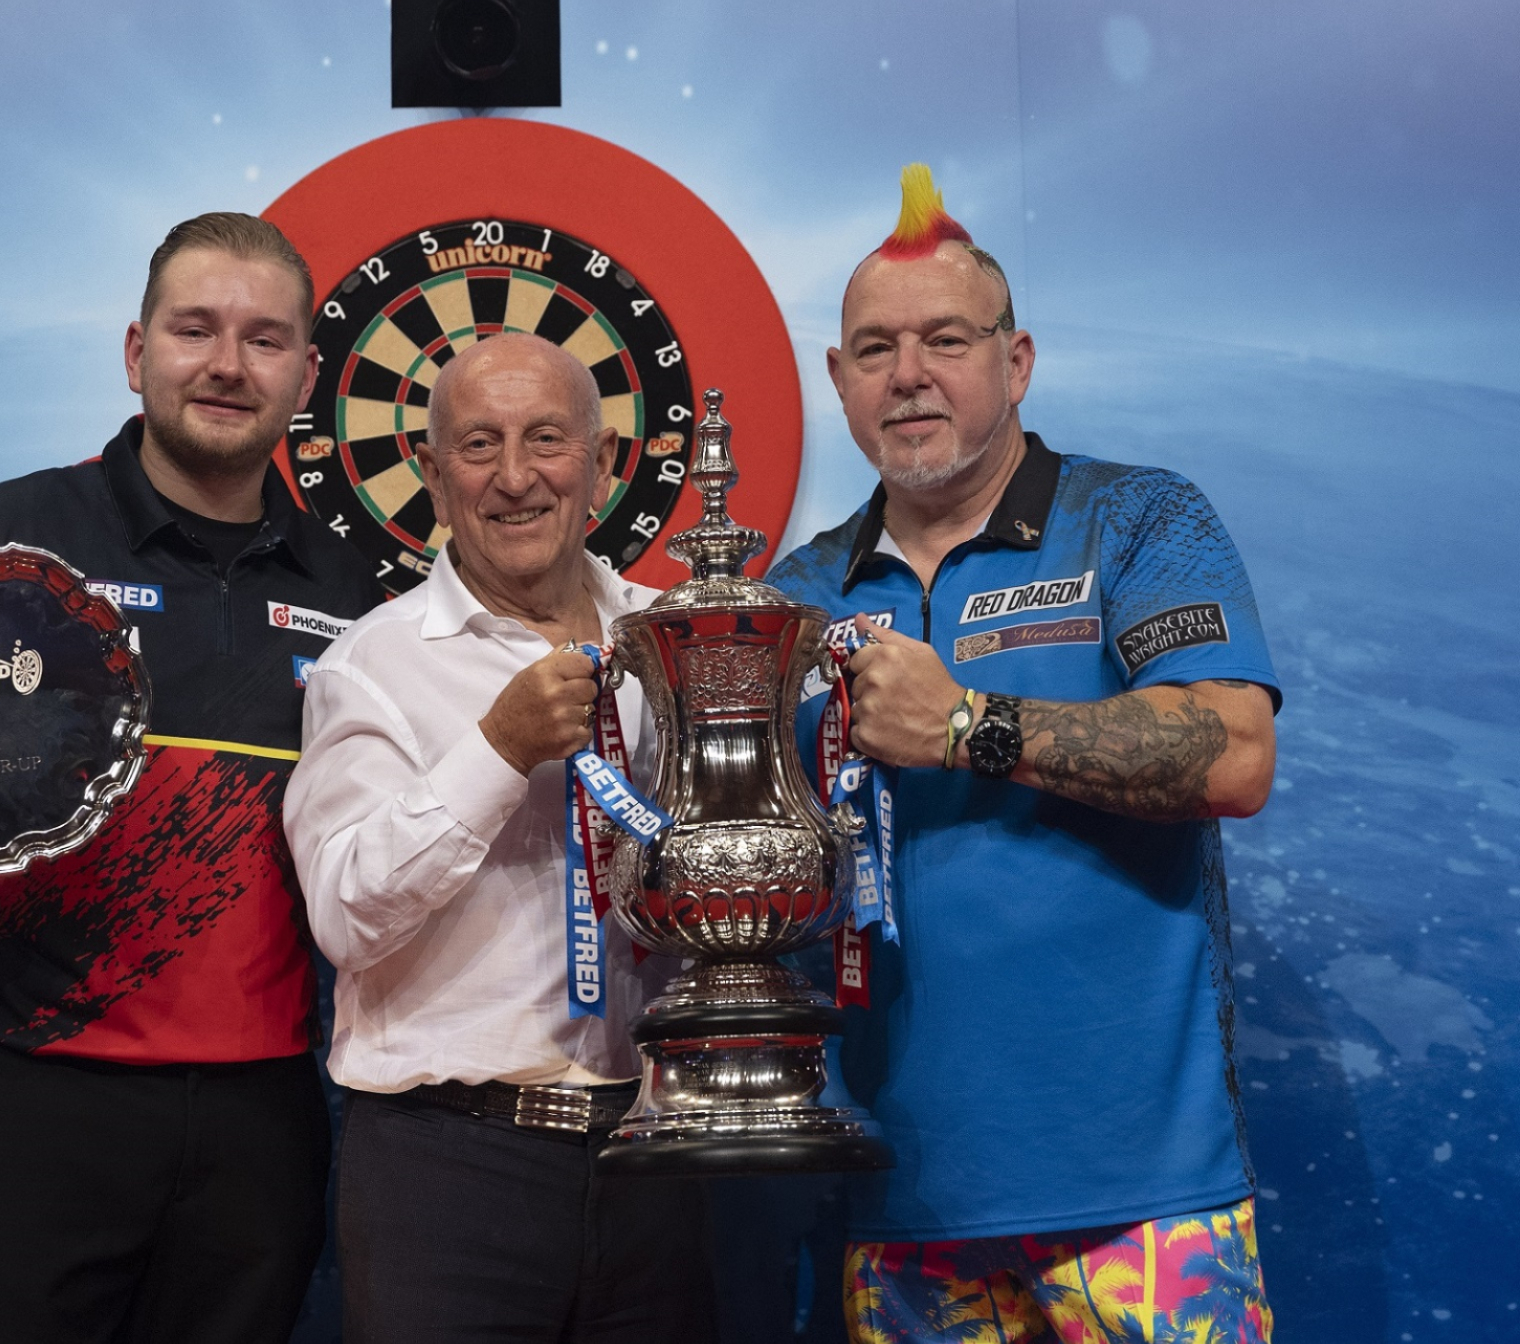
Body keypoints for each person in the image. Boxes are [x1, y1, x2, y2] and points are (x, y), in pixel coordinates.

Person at [0, 213, 383, 1343]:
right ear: (136, 351)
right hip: (25, 1097)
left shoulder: (357, 588)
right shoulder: (6, 544)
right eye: (196, 329)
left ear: (304, 373)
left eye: (264, 339)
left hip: (265, 1110)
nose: (227, 365)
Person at [766, 166, 1280, 1342]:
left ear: (1019, 360)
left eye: (946, 338)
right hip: (896, 1207)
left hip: (1146, 1204)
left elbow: (1234, 757)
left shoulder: (1142, 519)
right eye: (875, 348)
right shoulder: (791, 598)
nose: (909, 373)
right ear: (838, 383)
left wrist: (966, 723)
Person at [283, 332, 714, 1343]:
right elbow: (344, 915)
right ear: (433, 476)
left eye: (546, 440)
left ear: (603, 466)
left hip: (663, 1160)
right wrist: (496, 752)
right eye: (479, 446)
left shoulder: (683, 640)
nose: (515, 477)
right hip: (449, 1176)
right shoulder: (369, 666)